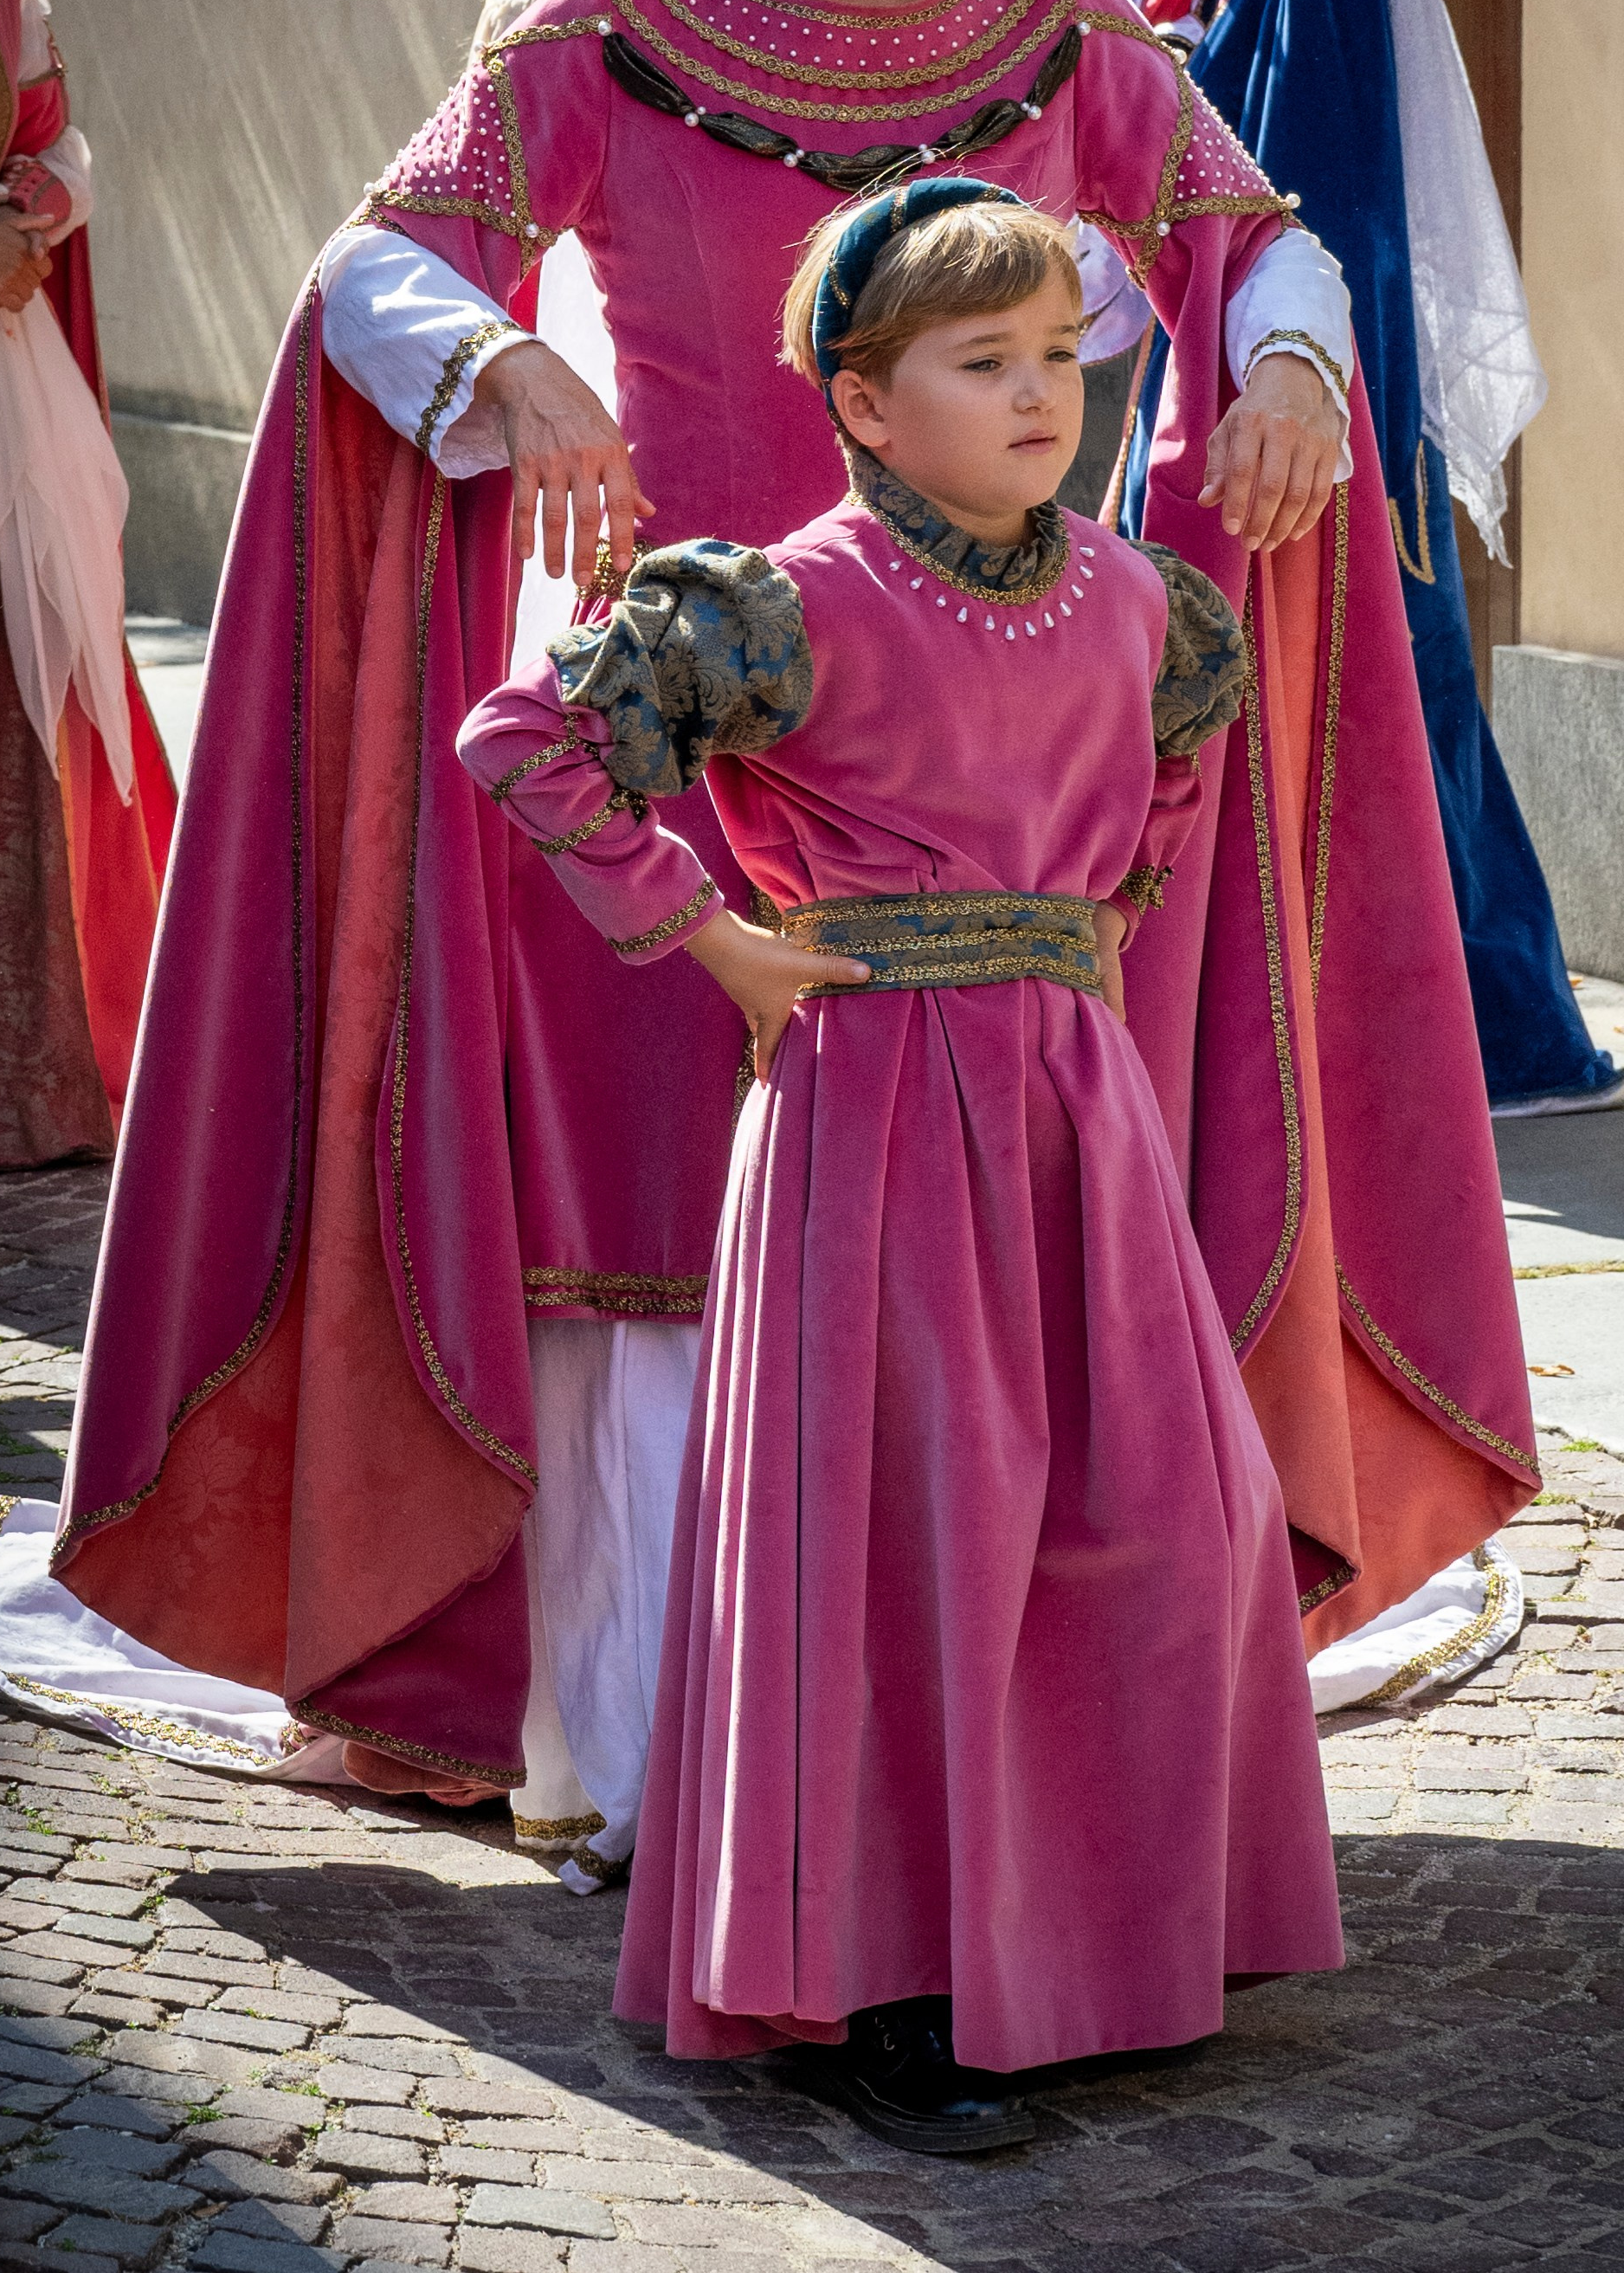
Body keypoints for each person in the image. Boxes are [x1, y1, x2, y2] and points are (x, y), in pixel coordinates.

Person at [53, 0, 1533, 1854]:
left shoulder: (1055, 26)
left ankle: (986, 1735)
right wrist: (501, 361)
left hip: (986, 740)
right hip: (694, 727)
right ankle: (672, 1756)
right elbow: (380, 261)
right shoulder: (602, 33)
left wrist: (1280, 361)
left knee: (990, 1220)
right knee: (666, 1226)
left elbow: (1254, 229)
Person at [459, 180, 1341, 2143]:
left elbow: (1171, 773)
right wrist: (719, 934)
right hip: (870, 1110)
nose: (1042, 396)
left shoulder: (1139, 597)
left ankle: (1106, 1939)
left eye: (1059, 357)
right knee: (915, 1540)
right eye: (982, 362)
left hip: (1072, 1111)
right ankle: (893, 1981)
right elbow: (525, 737)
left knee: (1160, 1515)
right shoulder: (779, 603)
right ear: (865, 403)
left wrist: (1092, 915)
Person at [1099, 0, 1624, 1117]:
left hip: (1317, 372)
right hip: (1311, 359)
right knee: (1397, 693)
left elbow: (1293, 184)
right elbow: (1220, 117)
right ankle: (1479, 1022)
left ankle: (1493, 1030)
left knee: (1391, 695)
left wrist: (1301, 374)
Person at [0, 0, 174, 1169]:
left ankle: (32, 1077)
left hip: (1, 378)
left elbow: (61, 139)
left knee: (18, 687)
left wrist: (35, 216)